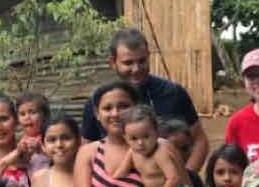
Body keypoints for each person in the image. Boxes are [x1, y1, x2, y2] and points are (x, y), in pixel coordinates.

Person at [81, 27, 209, 172]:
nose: (136, 69)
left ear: (149, 56)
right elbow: (86, 150)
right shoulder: (99, 103)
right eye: (128, 63)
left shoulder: (173, 93)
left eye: (142, 61)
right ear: (113, 63)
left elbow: (199, 140)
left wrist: (187, 177)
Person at [17, 91, 52, 173]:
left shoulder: (49, 137)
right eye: (22, 114)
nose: (27, 117)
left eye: (32, 112)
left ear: (44, 116)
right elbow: (21, 165)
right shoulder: (21, 140)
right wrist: (21, 154)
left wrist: (41, 149)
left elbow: (58, 157)